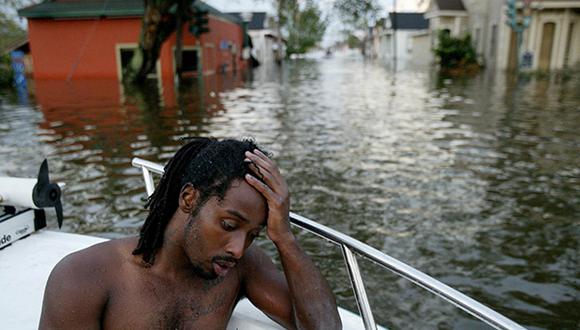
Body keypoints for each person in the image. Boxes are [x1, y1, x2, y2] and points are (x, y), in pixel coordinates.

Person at [39, 137, 341, 329]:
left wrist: (284, 236)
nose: (238, 249)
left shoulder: (242, 268)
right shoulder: (84, 278)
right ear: (189, 199)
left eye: (253, 235)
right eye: (229, 225)